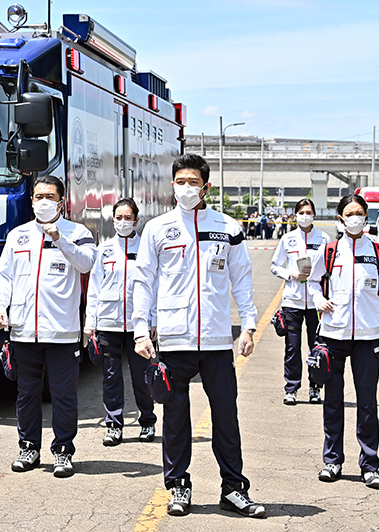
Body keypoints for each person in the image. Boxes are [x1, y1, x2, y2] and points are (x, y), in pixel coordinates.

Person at [132, 153, 265, 518]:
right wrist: (141, 330)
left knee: (226, 415)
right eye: (180, 182)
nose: (186, 188)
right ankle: (178, 486)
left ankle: (234, 488)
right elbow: (143, 281)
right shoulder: (158, 229)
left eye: (193, 182)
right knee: (175, 418)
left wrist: (249, 325)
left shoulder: (228, 227)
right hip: (175, 340)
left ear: (206, 186)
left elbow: (241, 280)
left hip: (218, 340)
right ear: (172, 185)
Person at [0, 175, 96, 478]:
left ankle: (63, 451)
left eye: (50, 196)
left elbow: (87, 264)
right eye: (39, 197)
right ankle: (29, 447)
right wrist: (0, 308)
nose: (44, 202)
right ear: (32, 200)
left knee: (64, 395)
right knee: (27, 393)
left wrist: (60, 240)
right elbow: (5, 276)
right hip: (23, 330)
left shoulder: (77, 232)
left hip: (62, 332)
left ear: (62, 201)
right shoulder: (18, 235)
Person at [308, 194, 379, 489]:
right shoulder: (330, 250)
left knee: (367, 402)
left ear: (366, 217)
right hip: (334, 335)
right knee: (333, 401)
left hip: (367, 337)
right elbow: (312, 280)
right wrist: (318, 298)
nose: (355, 217)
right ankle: (332, 460)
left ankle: (369, 464)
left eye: (359, 212)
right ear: (340, 218)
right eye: (350, 213)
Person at [84, 198, 157, 447]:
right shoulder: (103, 250)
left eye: (128, 217)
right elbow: (94, 288)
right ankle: (114, 425)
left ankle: (147, 421)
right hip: (108, 323)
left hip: (138, 325)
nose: (123, 222)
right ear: (112, 219)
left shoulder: (146, 249)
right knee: (111, 377)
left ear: (137, 220)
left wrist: (153, 319)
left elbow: (154, 286)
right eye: (119, 217)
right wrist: (90, 322)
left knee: (142, 376)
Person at [270, 199, 331, 405]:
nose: (305, 215)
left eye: (309, 212)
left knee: (317, 347)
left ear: (314, 215)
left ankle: (315, 388)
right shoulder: (288, 239)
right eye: (302, 212)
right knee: (292, 347)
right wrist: (290, 274)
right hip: (292, 301)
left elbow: (329, 269)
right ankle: (291, 388)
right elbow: (275, 266)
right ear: (295, 215)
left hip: (315, 302)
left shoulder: (323, 238)